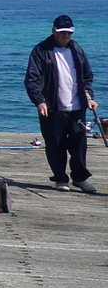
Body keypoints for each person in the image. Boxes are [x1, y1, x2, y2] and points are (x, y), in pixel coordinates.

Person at [25, 14, 98, 193]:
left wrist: (89, 96)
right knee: (55, 144)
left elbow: (87, 76)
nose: (65, 35)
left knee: (79, 143)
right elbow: (31, 79)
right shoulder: (41, 50)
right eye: (62, 32)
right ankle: (60, 179)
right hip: (52, 107)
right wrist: (39, 101)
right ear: (53, 31)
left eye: (68, 32)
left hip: (78, 107)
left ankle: (80, 179)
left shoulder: (77, 49)